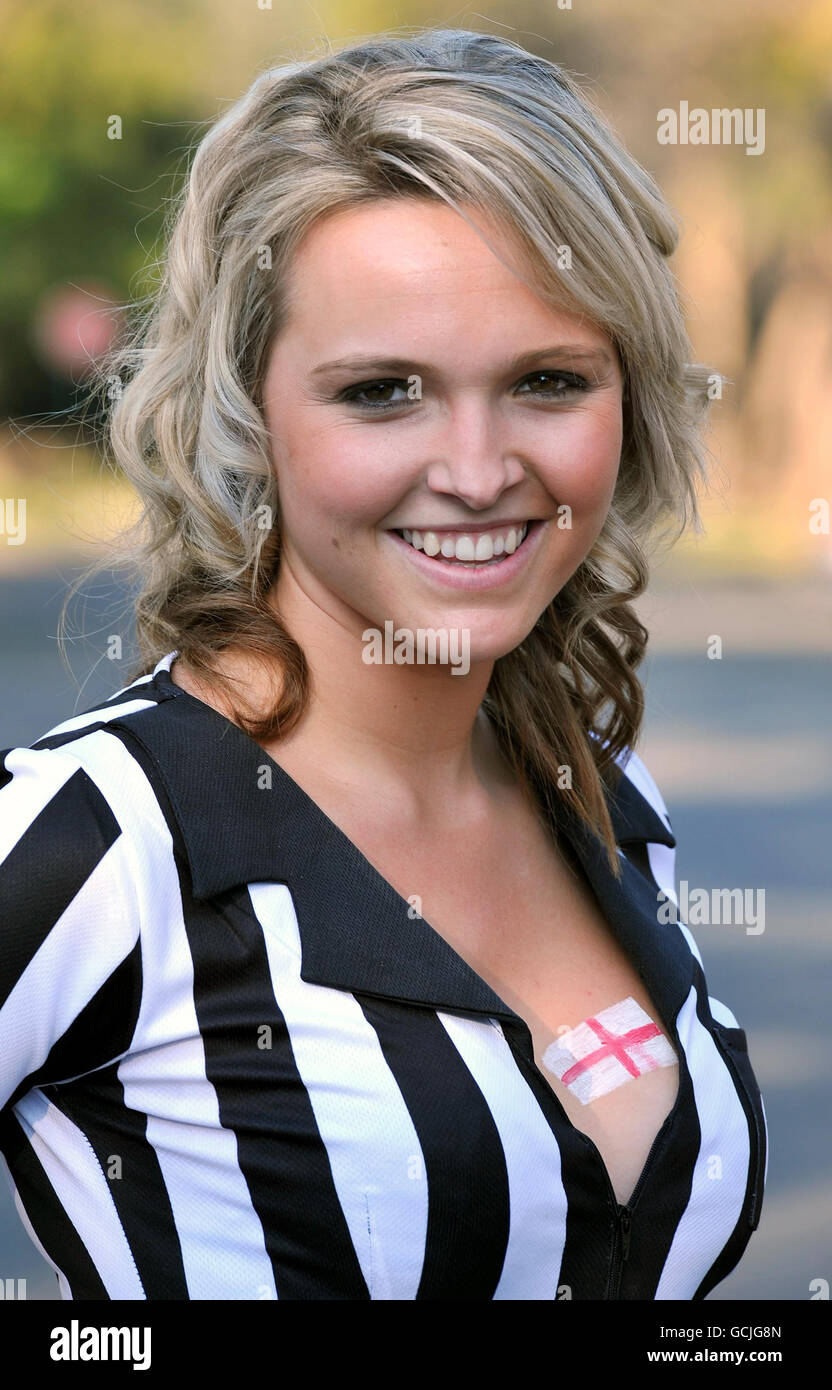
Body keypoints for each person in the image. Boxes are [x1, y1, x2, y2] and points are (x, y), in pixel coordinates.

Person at [0, 27, 766, 1300]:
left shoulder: (605, 787)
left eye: (546, 380)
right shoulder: (93, 836)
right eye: (381, 391)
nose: (474, 470)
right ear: (247, 408)